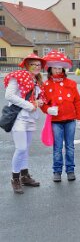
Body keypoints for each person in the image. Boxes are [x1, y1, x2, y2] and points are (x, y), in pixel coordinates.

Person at [4, 53, 46, 194]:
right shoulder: (17, 76)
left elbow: (37, 99)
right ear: (27, 64)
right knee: (21, 148)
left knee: (26, 149)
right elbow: (9, 96)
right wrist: (29, 105)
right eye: (33, 64)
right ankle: (15, 178)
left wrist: (38, 102)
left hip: (30, 118)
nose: (36, 67)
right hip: (19, 118)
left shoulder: (37, 80)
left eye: (39, 64)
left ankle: (25, 176)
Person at [41, 50, 80, 182]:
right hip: (56, 122)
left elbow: (77, 101)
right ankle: (57, 171)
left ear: (63, 68)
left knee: (70, 146)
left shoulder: (71, 84)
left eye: (59, 68)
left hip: (70, 120)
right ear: (50, 69)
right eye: (54, 68)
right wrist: (48, 109)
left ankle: (70, 170)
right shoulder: (46, 85)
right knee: (58, 147)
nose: (57, 70)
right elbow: (43, 104)